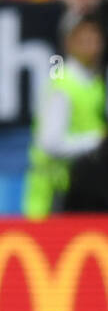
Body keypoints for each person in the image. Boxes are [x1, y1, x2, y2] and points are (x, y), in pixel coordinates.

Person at [23, 11, 105, 219]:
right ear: (69, 42)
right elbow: (49, 144)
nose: (91, 42)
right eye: (83, 37)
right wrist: (98, 140)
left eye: (95, 36)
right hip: (55, 193)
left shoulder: (95, 83)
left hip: (83, 189)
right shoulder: (62, 84)